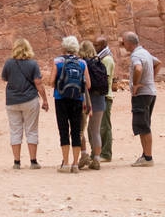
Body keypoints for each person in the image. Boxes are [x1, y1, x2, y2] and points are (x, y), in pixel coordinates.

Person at [1, 38, 49, 170]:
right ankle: (33, 161)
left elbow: (4, 78)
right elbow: (38, 83)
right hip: (30, 100)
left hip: (12, 101)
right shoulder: (33, 64)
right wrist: (45, 100)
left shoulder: (8, 63)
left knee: (15, 131)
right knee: (31, 130)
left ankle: (16, 162)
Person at [49, 35, 91, 173]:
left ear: (64, 47)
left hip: (60, 98)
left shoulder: (58, 61)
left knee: (63, 130)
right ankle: (75, 164)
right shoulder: (82, 63)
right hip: (77, 99)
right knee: (76, 130)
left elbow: (51, 81)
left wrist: (58, 85)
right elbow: (88, 84)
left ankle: (66, 163)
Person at [121, 32, 160, 167]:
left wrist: (136, 84)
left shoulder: (136, 56)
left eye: (123, 42)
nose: (123, 44)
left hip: (142, 94)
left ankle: (148, 158)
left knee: (143, 126)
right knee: (145, 124)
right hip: (150, 92)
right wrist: (151, 79)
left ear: (129, 43)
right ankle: (145, 155)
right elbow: (158, 63)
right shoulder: (145, 52)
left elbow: (138, 68)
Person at [77, 40, 105, 170]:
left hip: (85, 100)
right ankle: (97, 159)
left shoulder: (82, 64)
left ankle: (83, 154)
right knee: (95, 131)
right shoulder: (99, 62)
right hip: (99, 99)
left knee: (79, 130)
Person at [96, 36, 116, 162]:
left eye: (97, 45)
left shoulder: (107, 60)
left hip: (105, 96)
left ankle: (106, 153)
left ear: (103, 45)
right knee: (100, 126)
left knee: (105, 126)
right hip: (101, 95)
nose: (95, 47)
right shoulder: (101, 58)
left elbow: (104, 78)